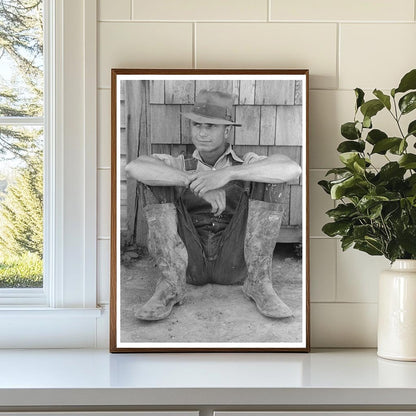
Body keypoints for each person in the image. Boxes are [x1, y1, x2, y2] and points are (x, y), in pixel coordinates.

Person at [125, 89, 301, 321]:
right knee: (155, 179)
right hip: (189, 263)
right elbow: (134, 167)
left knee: (269, 180)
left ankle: (259, 284)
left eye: (211, 126)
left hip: (235, 262)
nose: (202, 133)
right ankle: (169, 286)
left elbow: (291, 169)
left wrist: (228, 174)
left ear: (227, 130)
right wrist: (191, 181)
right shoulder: (180, 163)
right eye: (197, 125)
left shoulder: (244, 163)